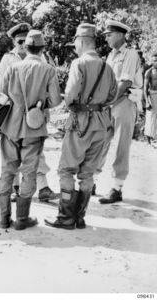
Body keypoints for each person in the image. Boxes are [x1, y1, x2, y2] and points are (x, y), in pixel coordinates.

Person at [44, 23, 117, 230]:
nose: (74, 47)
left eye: (75, 42)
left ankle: (66, 217)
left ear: (82, 41)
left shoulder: (79, 63)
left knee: (66, 170)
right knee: (88, 173)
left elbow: (70, 95)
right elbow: (112, 96)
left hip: (81, 122)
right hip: (102, 123)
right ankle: (80, 217)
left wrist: (70, 103)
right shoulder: (107, 66)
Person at [0, 29, 61, 230]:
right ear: (42, 48)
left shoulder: (12, 68)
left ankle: (4, 218)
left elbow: (1, 94)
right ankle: (22, 219)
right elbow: (57, 100)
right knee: (29, 173)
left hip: (10, 127)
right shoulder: (48, 70)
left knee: (7, 172)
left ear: (26, 46)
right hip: (34, 128)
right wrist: (40, 106)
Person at [98, 20, 143, 204]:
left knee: (120, 146)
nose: (107, 37)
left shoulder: (130, 54)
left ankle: (117, 187)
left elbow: (125, 83)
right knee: (100, 141)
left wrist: (106, 101)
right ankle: (91, 180)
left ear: (121, 35)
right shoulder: (110, 55)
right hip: (110, 104)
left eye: (109, 34)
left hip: (124, 102)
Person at [144, 53, 157, 144]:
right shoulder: (149, 72)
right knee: (150, 116)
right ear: (151, 61)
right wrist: (147, 102)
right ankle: (149, 139)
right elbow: (145, 88)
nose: (156, 62)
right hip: (152, 95)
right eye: (154, 60)